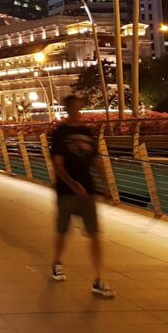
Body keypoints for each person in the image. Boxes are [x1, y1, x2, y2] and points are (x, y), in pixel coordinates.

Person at [48, 94, 115, 298]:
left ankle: (98, 279)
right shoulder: (60, 133)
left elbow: (95, 159)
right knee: (62, 231)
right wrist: (72, 183)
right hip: (67, 191)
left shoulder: (87, 131)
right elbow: (57, 163)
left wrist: (106, 184)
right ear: (68, 109)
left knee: (94, 234)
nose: (77, 111)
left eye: (79, 107)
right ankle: (57, 262)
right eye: (74, 108)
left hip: (88, 189)